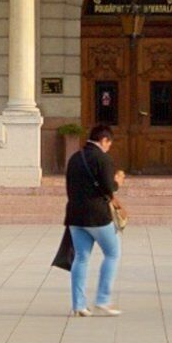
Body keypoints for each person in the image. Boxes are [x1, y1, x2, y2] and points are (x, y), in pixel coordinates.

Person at [62, 120, 122, 317]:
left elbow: (69, 186)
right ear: (104, 140)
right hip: (97, 216)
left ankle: (79, 305)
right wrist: (118, 182)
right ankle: (103, 299)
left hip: (75, 215)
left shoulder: (75, 157)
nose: (109, 147)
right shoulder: (103, 159)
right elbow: (108, 188)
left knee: (81, 258)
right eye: (109, 143)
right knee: (112, 253)